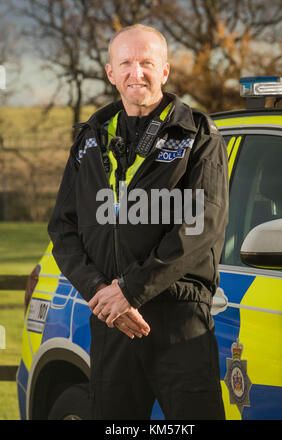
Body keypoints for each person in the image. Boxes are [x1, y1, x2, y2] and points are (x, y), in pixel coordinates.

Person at [48, 23, 229, 420]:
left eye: (147, 62)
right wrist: (103, 292)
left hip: (180, 321)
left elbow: (201, 225)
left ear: (164, 71)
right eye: (126, 62)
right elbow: (62, 228)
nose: (137, 72)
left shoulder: (197, 134)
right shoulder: (90, 140)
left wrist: (131, 289)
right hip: (113, 321)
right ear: (111, 72)